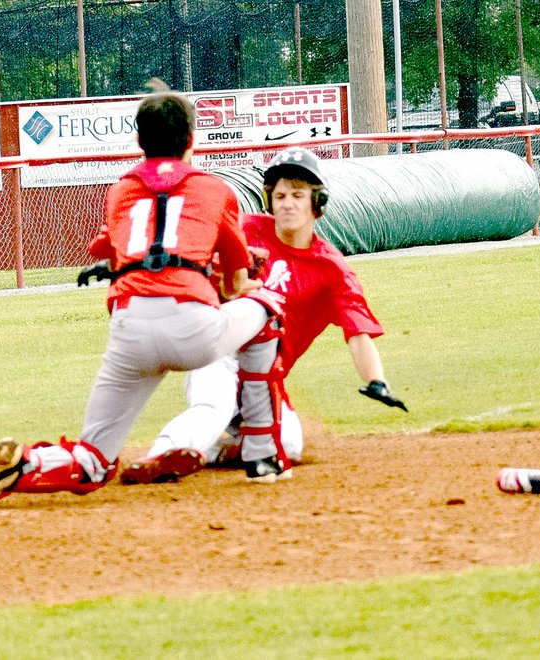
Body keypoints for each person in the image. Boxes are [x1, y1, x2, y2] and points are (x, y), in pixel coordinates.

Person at [0, 83, 279, 509]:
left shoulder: (118, 190)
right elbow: (232, 285)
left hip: (130, 327)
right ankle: (263, 454)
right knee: (267, 307)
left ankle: (22, 464)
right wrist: (246, 277)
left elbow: (107, 247)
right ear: (191, 140)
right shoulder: (216, 190)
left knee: (94, 461)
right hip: (194, 328)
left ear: (139, 141)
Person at [119, 146, 407, 486]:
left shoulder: (331, 270)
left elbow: (357, 331)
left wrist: (376, 381)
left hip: (266, 376)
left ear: (318, 203)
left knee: (289, 444)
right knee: (214, 404)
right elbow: (194, 251)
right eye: (280, 194)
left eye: (298, 195)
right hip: (218, 352)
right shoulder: (247, 229)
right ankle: (158, 455)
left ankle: (213, 451)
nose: (287, 203)